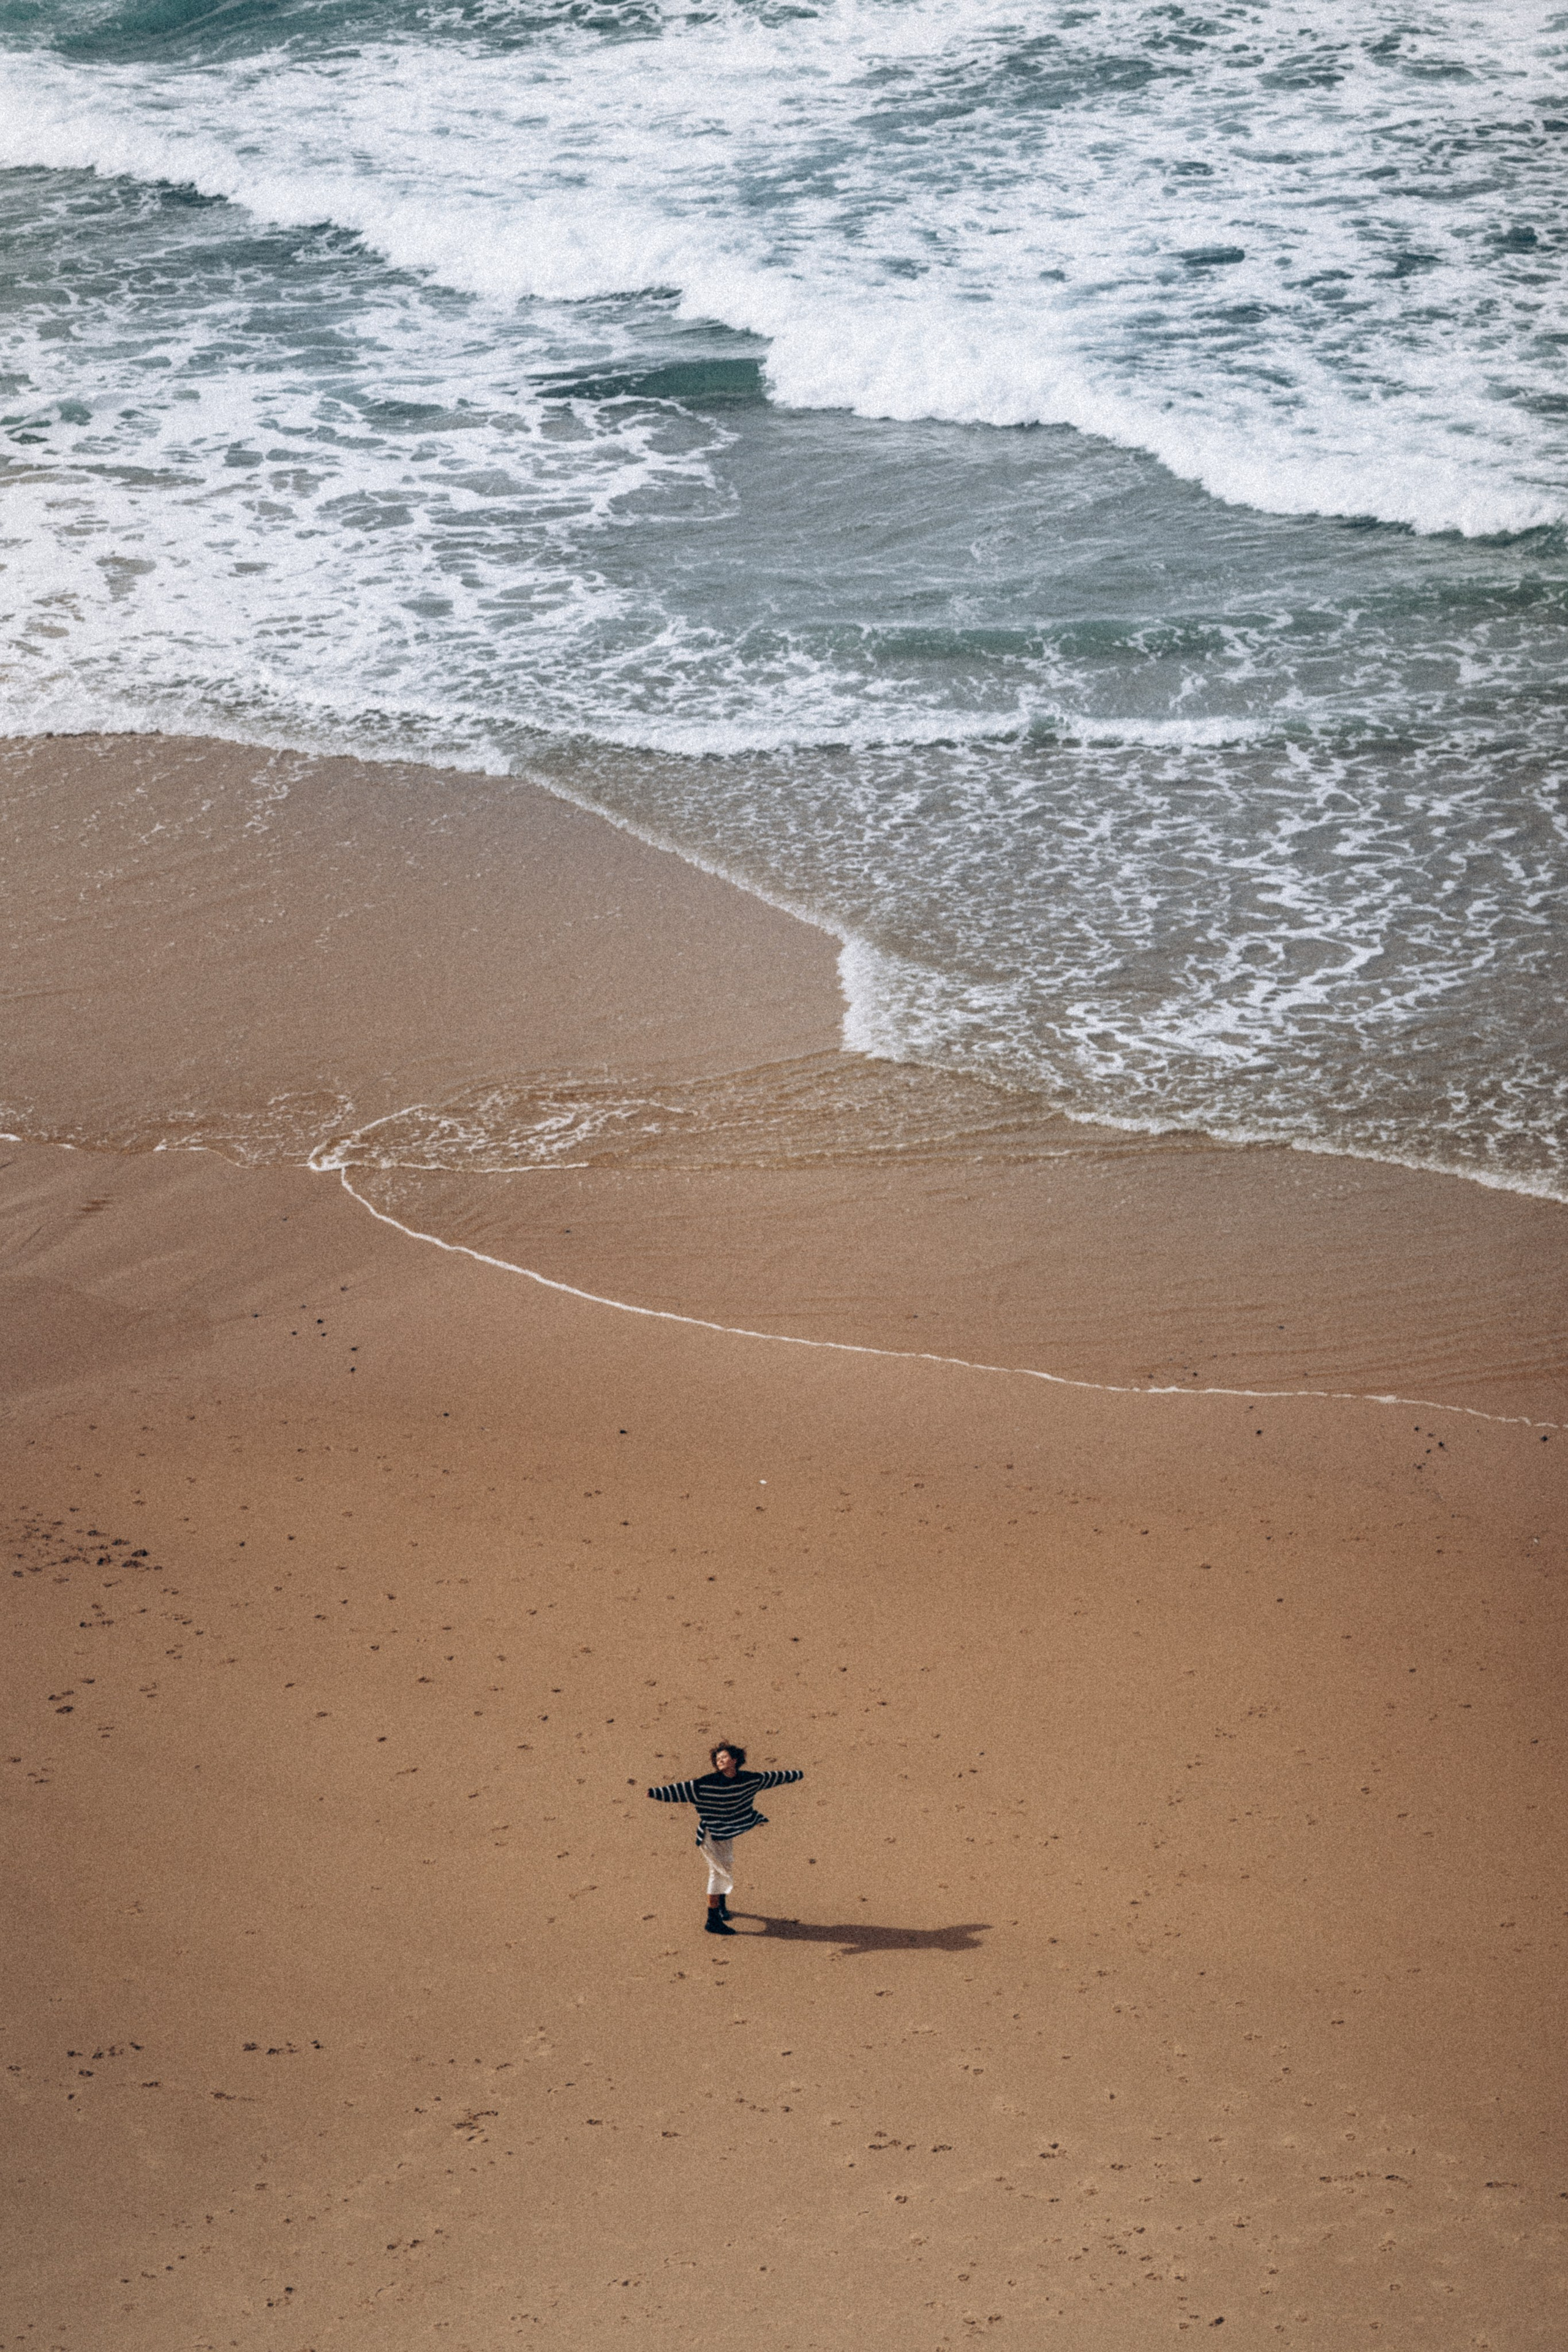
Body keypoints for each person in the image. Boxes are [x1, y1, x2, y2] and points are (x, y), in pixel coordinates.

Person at [647, 1743, 804, 1936]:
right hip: (710, 1834)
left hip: (727, 1832)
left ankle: (721, 1907)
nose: (720, 1761)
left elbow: (772, 1778)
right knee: (718, 1873)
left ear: (735, 1760)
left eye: (724, 1757)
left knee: (726, 1865)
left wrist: (797, 1775)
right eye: (718, 1759)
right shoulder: (707, 1783)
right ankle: (712, 1921)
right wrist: (655, 1793)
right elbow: (682, 1790)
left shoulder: (749, 1780)